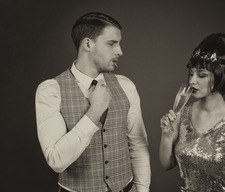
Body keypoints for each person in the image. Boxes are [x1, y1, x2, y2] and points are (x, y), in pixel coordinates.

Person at [35, 12, 150, 192]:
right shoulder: (50, 90)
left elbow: (138, 145)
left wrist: (142, 190)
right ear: (88, 44)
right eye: (112, 43)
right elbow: (56, 160)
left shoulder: (125, 85)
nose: (120, 51)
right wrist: (94, 112)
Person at [159, 33, 225, 192]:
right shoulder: (182, 114)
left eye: (201, 75)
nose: (192, 81)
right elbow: (166, 164)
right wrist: (166, 136)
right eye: (191, 73)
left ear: (220, 75)